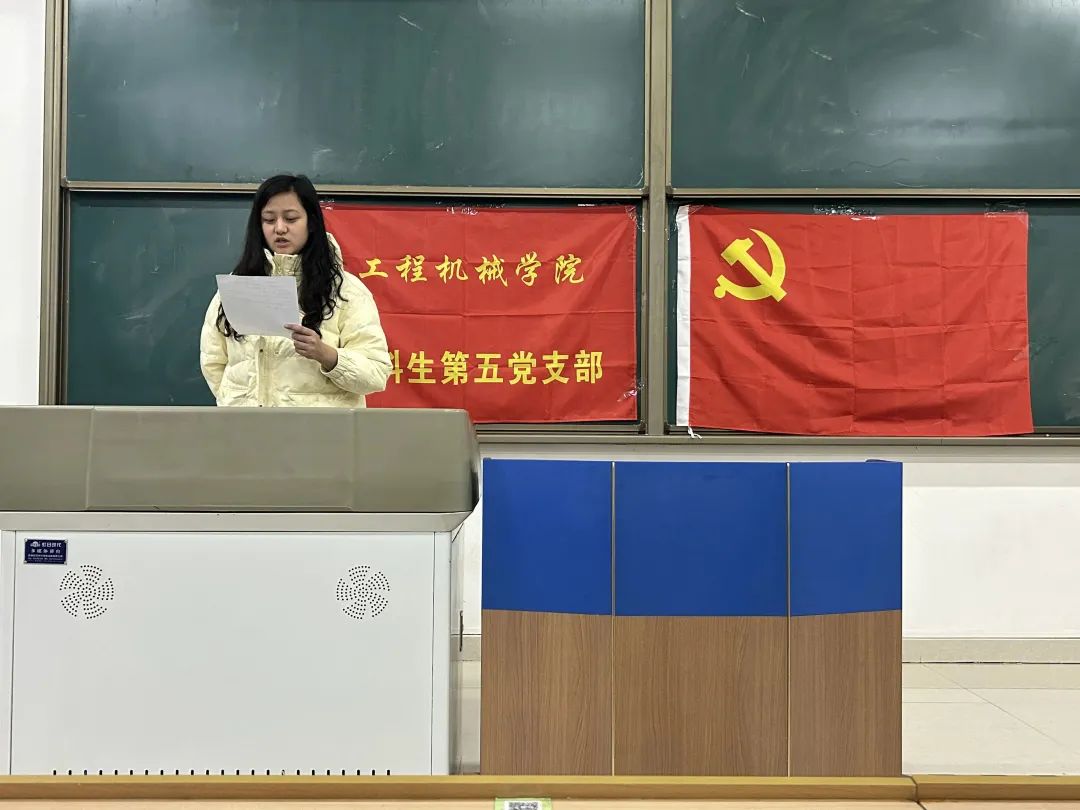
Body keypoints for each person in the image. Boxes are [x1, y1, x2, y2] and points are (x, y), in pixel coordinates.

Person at [199, 174, 393, 407]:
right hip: (247, 427)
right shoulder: (237, 287)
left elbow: (376, 374)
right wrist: (235, 403)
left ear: (311, 222)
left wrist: (326, 354)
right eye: (269, 220)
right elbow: (214, 363)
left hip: (319, 429)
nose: (280, 228)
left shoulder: (346, 291)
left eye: (291, 219)